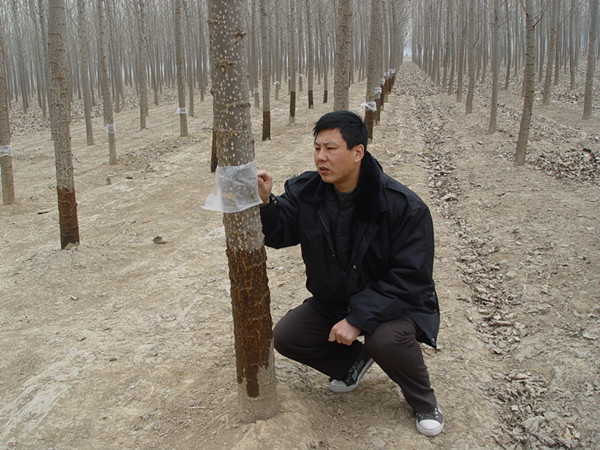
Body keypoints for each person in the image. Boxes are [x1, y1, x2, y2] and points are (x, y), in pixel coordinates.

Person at [257, 110, 444, 437]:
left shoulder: (402, 206)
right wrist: (265, 203)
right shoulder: (308, 192)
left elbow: (411, 278)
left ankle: (424, 402)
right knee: (288, 336)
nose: (321, 157)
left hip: (396, 305)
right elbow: (280, 231)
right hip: (334, 298)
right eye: (317, 148)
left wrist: (358, 318)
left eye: (331, 149)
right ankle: (352, 364)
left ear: (358, 152)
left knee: (384, 339)